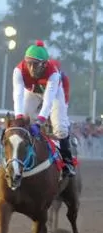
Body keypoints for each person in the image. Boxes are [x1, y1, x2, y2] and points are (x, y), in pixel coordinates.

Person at [11, 40, 75, 176]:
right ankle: (22, 157)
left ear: (45, 64)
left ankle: (68, 161)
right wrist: (19, 117)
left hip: (55, 94)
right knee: (26, 119)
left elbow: (48, 101)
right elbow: (18, 95)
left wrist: (40, 121)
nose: (32, 68)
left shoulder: (54, 73)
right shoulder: (18, 70)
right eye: (29, 64)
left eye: (36, 65)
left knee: (60, 127)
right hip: (33, 91)